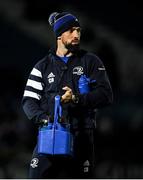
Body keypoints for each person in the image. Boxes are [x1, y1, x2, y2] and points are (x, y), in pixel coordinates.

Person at [22, 11, 113, 178]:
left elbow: (106, 95)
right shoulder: (42, 67)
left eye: (78, 30)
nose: (76, 34)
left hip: (81, 137)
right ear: (59, 35)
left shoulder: (91, 61)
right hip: (49, 136)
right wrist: (44, 119)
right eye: (71, 30)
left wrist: (76, 98)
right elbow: (29, 101)